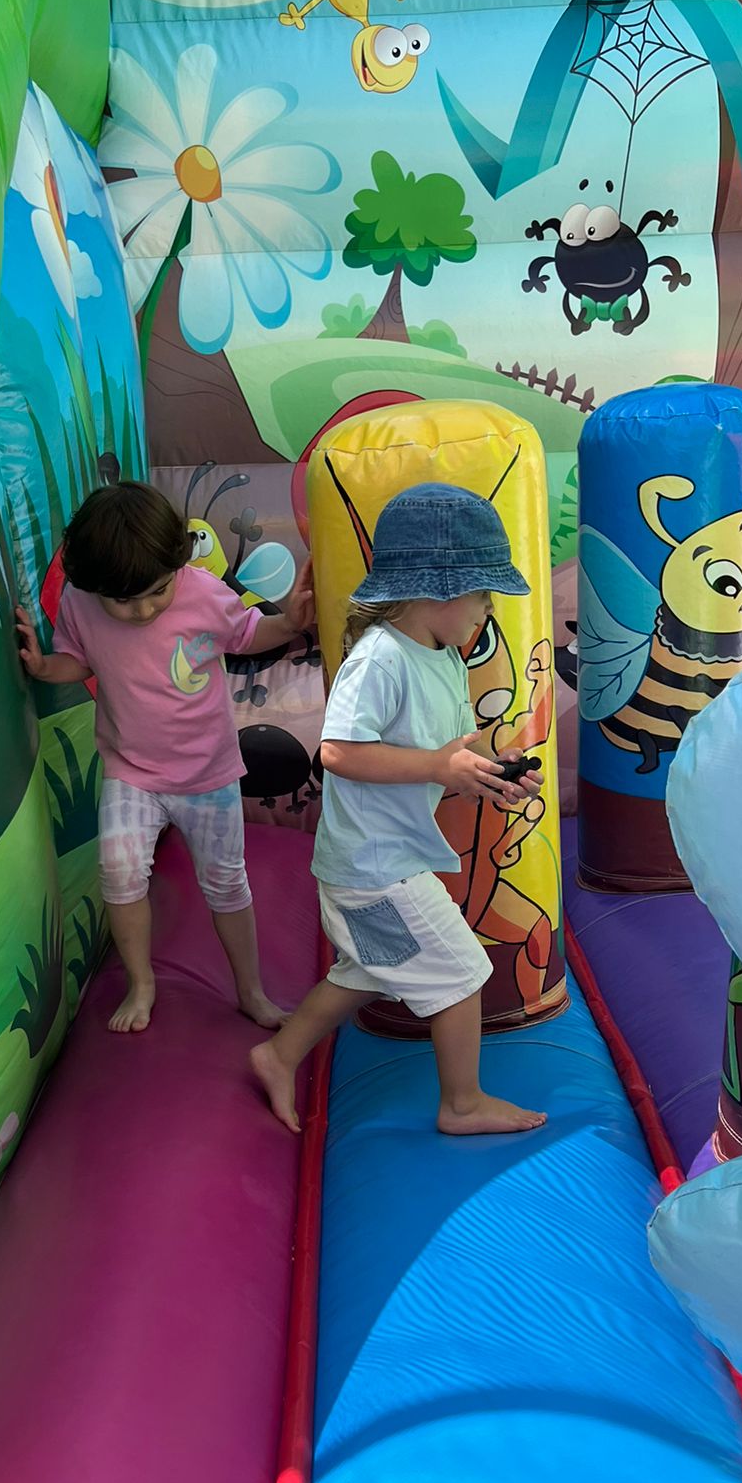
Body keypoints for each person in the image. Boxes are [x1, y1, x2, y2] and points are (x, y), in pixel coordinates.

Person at [251, 483, 547, 1137]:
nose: (488, 607)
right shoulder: (380, 659)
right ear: (439, 592)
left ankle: (279, 1055)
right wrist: (439, 767)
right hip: (373, 869)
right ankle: (461, 1104)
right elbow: (338, 752)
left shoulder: (443, 657)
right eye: (482, 593)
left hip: (387, 862)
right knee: (463, 971)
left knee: (367, 970)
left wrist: (490, 774)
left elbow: (445, 753)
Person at [16, 480, 313, 1034]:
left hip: (207, 774)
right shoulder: (82, 601)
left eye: (156, 591)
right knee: (119, 871)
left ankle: (251, 991)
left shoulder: (201, 592)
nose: (143, 609)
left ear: (176, 565)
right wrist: (42, 667)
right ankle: (142, 983)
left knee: (226, 882)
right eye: (124, 601)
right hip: (132, 772)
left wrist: (291, 623)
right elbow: (79, 661)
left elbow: (246, 633)